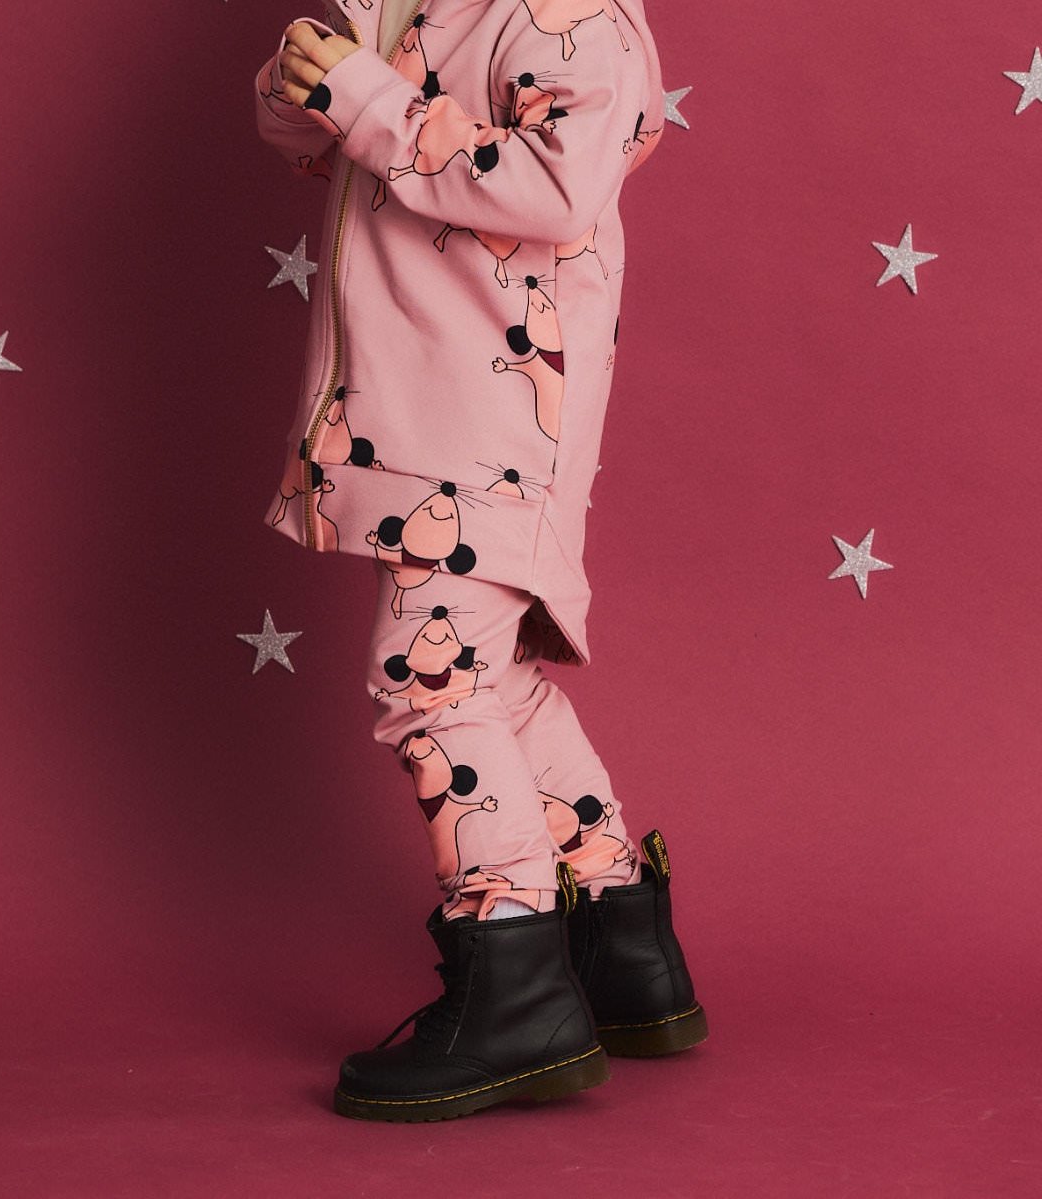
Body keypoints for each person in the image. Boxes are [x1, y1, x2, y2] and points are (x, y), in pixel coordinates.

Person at [253, 0, 706, 1122]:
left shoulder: (572, 14)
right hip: (410, 397)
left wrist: (362, 95)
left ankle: (514, 981)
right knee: (492, 679)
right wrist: (304, 80)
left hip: (495, 411)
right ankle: (619, 945)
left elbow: (558, 188)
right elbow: (308, 138)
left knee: (429, 680)